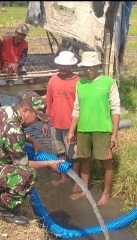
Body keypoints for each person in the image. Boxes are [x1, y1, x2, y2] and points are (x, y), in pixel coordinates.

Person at [0, 91, 64, 226]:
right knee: (27, 175)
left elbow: (8, 131)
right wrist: (48, 164)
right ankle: (4, 210)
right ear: (25, 111)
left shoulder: (6, 111)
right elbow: (24, 164)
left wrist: (32, 140)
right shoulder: (14, 130)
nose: (35, 123)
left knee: (12, 161)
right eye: (36, 118)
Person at [66, 51, 121, 205]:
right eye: (85, 67)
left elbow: (115, 109)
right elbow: (76, 109)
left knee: (106, 162)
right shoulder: (80, 84)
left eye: (91, 67)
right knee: (84, 161)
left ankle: (105, 194)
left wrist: (114, 134)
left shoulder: (108, 82)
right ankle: (84, 191)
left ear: (97, 66)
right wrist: (71, 131)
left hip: (102, 130)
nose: (88, 70)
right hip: (83, 129)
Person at [42, 51, 81, 192]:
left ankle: (77, 181)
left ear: (71, 66)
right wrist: (45, 122)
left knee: (74, 155)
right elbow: (48, 103)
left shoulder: (78, 82)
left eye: (66, 66)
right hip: (55, 123)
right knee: (60, 152)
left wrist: (75, 127)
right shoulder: (53, 80)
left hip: (71, 125)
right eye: (61, 65)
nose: (63, 68)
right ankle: (63, 177)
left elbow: (80, 106)